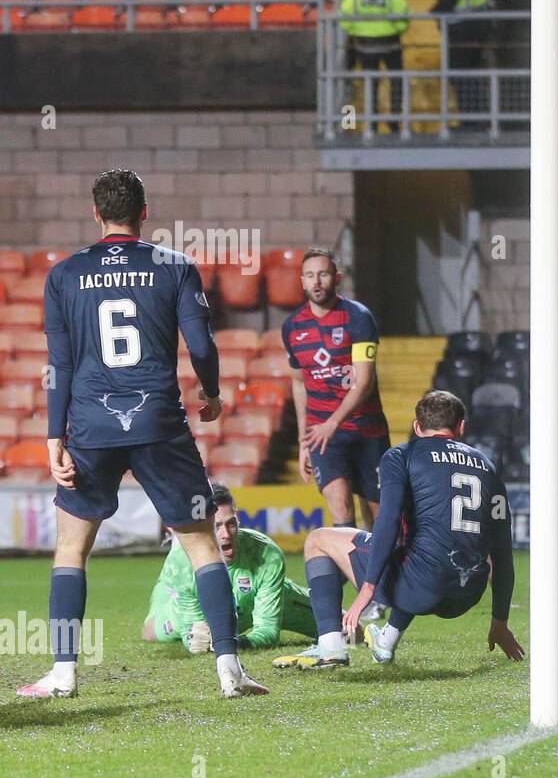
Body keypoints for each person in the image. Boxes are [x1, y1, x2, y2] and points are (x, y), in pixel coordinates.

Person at [19, 169, 267, 699]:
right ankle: (230, 668)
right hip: (159, 420)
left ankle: (64, 672)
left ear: (95, 213)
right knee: (201, 544)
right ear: (144, 212)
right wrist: (212, 391)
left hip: (89, 423)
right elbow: (201, 345)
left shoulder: (64, 274)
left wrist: (52, 436)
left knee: (71, 551)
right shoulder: (174, 266)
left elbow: (59, 362)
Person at [273, 389, 523, 669]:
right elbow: (502, 553)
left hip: (418, 589)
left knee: (318, 540)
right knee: (421, 548)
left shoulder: (402, 455)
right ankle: (386, 641)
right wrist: (499, 622)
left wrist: (367, 590)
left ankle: (330, 646)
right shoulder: (488, 466)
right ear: (461, 427)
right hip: (466, 596)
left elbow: (387, 521)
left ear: (417, 427)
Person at [282, 247, 389, 530]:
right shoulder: (291, 327)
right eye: (309, 276)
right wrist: (305, 439)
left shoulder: (358, 318)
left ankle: (380, 573)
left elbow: (363, 382)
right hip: (323, 435)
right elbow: (298, 381)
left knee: (379, 517)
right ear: (301, 281)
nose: (316, 282)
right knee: (340, 504)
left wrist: (333, 423)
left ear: (337, 278)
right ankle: (355, 572)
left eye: (323, 274)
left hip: (367, 430)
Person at [142, 484, 316, 652]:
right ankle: (178, 548)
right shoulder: (180, 564)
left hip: (260, 601)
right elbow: (193, 637)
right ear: (203, 526)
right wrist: (196, 640)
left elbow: (268, 631)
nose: (226, 534)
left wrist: (236, 643)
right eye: (216, 526)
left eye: (231, 523)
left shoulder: (264, 553)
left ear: (238, 519)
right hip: (182, 594)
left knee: (336, 624)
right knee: (151, 632)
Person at [339, 0, 410, 134]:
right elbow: (405, 17)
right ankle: (394, 120)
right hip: (391, 45)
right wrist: (395, 30)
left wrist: (359, 31)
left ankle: (371, 123)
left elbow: (344, 21)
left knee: (370, 86)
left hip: (365, 48)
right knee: (397, 82)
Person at [430, 0, 489, 130]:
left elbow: (443, 6)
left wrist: (433, 12)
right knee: (473, 77)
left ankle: (468, 122)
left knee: (460, 78)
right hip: (477, 31)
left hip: (461, 34)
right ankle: (480, 119)